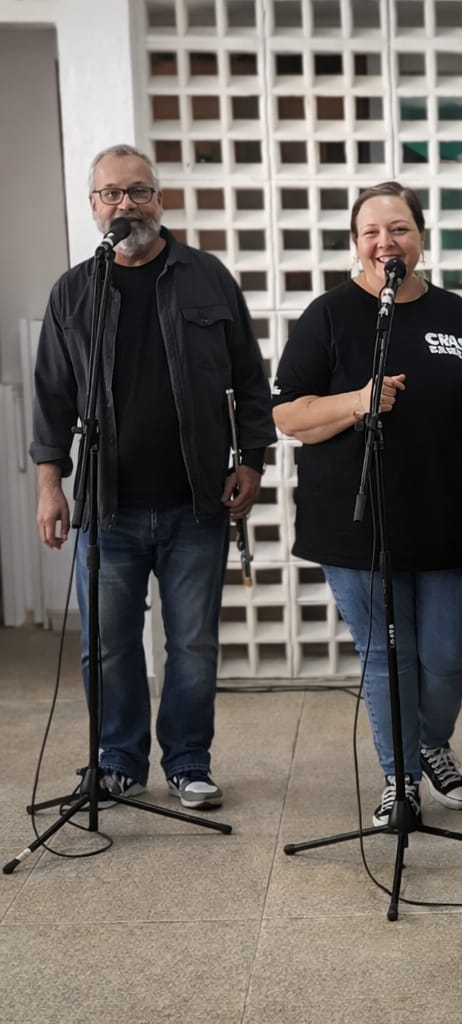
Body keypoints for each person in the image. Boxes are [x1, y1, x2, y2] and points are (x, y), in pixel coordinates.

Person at [31, 144, 275, 809]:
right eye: (111, 193)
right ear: (93, 206)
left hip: (196, 503)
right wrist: (51, 485)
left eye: (138, 191)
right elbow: (51, 397)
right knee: (108, 646)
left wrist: (252, 459)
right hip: (107, 508)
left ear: (159, 201)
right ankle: (117, 762)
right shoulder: (74, 291)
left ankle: (188, 762)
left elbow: (250, 380)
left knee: (192, 645)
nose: (126, 205)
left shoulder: (206, 277)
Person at [271, 181, 462, 826]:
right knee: (386, 655)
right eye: (372, 232)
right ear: (356, 244)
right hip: (358, 522)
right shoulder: (329, 315)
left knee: (449, 654)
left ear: (420, 237)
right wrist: (359, 401)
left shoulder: (454, 312)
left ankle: (431, 742)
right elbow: (288, 415)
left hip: (450, 511)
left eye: (399, 228)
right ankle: (399, 777)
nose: (386, 242)